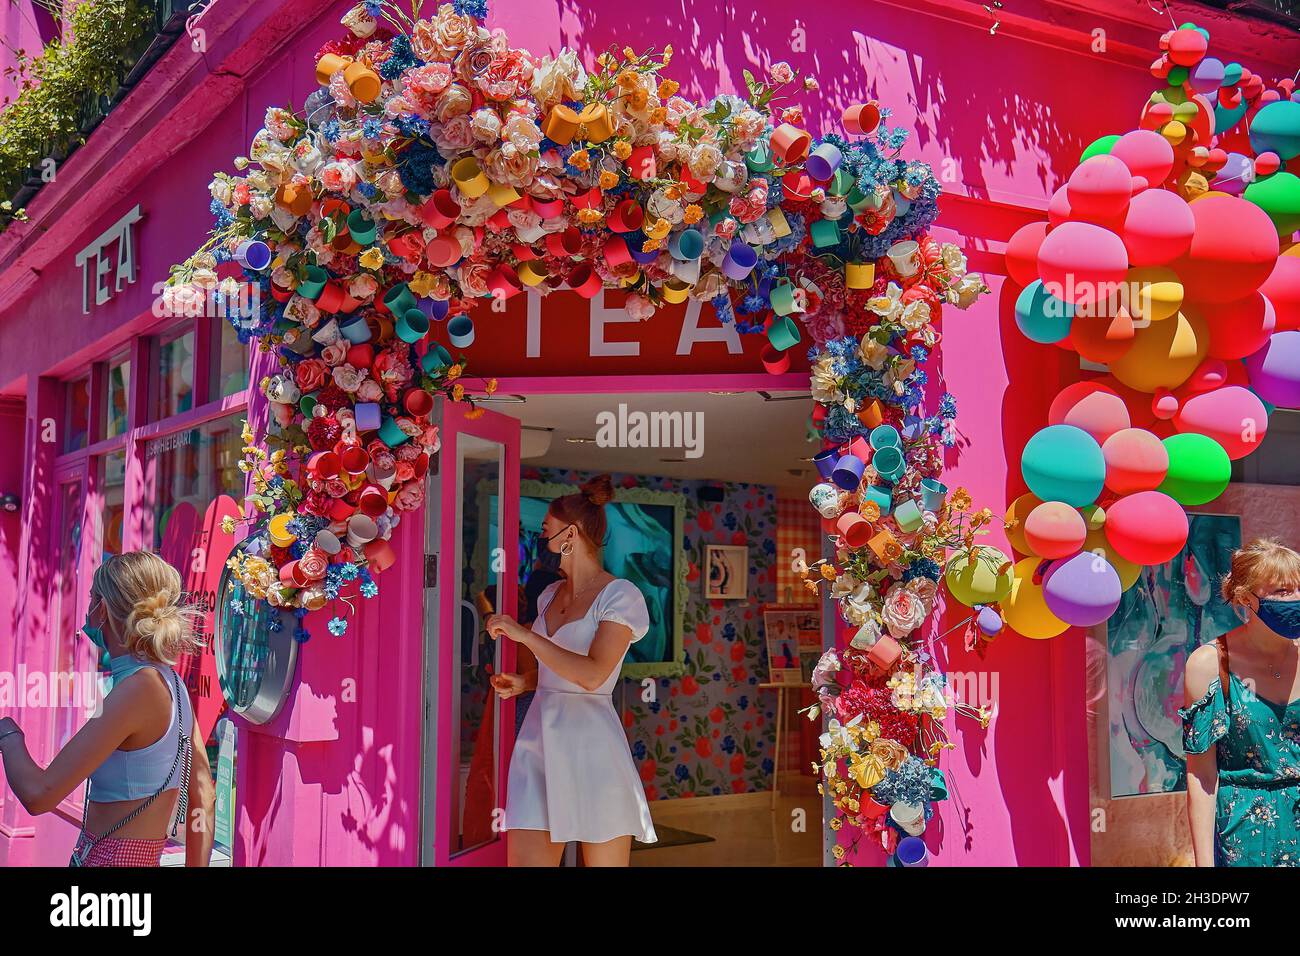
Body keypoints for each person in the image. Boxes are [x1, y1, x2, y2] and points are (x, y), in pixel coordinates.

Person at [0, 551, 215, 866]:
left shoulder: (137, 689)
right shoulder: (170, 681)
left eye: (90, 598)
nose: (86, 609)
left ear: (102, 609)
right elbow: (204, 798)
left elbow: (38, 794)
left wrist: (8, 733)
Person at [486, 474, 657, 866]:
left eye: (545, 529)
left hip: (591, 745)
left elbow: (594, 674)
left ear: (571, 534)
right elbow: (559, 668)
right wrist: (527, 681)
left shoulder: (620, 595)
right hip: (537, 742)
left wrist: (524, 636)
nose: (540, 537)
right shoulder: (549, 595)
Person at [1182, 537, 1300, 867]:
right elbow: (1202, 775)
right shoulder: (1210, 664)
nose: (1296, 599)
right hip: (1246, 837)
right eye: (1282, 591)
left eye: (1298, 588)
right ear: (1246, 597)